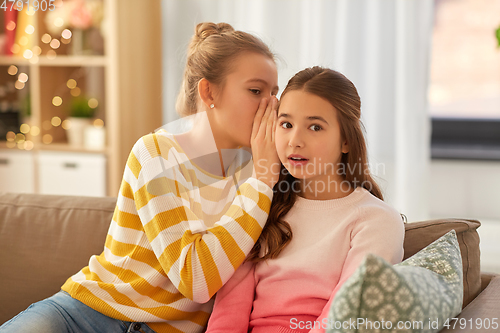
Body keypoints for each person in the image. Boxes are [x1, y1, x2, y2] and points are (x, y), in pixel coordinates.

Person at [0, 22, 281, 333]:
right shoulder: (156, 152)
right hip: (85, 314)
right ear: (208, 91)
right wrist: (263, 181)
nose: (271, 106)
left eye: (274, 93)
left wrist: (264, 177)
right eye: (256, 91)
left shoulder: (260, 176)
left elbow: (199, 284)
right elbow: (194, 274)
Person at [205, 67, 405, 333]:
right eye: (286, 124)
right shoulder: (259, 205)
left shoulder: (376, 220)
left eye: (315, 127)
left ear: (346, 139)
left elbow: (343, 317)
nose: (295, 141)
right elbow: (229, 313)